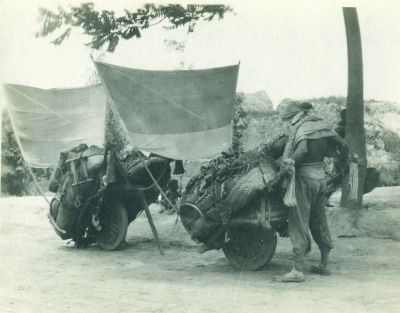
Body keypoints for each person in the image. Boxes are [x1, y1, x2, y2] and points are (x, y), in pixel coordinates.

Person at [277, 101, 348, 282]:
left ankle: (297, 271)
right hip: (320, 179)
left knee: (299, 220)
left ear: (295, 116)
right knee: (319, 219)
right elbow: (344, 146)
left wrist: (289, 161)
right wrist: (345, 166)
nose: (289, 123)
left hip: (304, 180)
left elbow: (302, 150)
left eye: (288, 119)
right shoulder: (322, 125)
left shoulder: (301, 128)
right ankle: (324, 264)